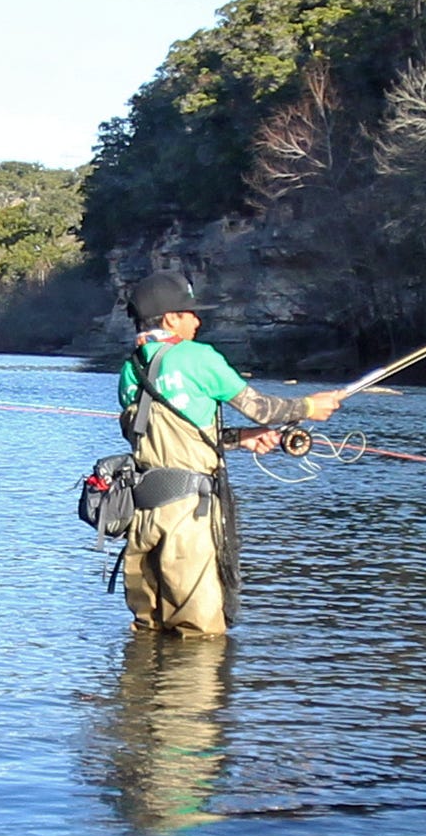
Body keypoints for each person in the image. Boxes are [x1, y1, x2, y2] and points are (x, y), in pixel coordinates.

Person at [115, 270, 343, 634]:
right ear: (171, 318)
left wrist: (244, 438)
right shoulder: (197, 357)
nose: (197, 321)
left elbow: (173, 437)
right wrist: (308, 407)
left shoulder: (131, 369)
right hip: (188, 517)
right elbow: (263, 409)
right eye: (190, 313)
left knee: (150, 631)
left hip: (143, 516)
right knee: (200, 636)